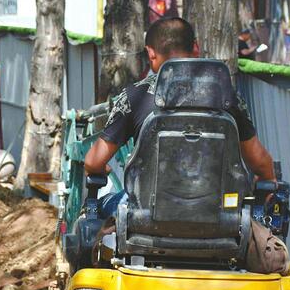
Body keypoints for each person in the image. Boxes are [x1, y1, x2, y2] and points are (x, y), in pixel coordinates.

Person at [85, 17, 276, 219]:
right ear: (195, 47)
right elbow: (260, 162)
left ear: (151, 53)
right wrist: (268, 178)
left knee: (95, 212)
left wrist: (98, 167)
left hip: (145, 215)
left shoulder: (135, 97)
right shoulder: (227, 97)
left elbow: (93, 161)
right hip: (218, 215)